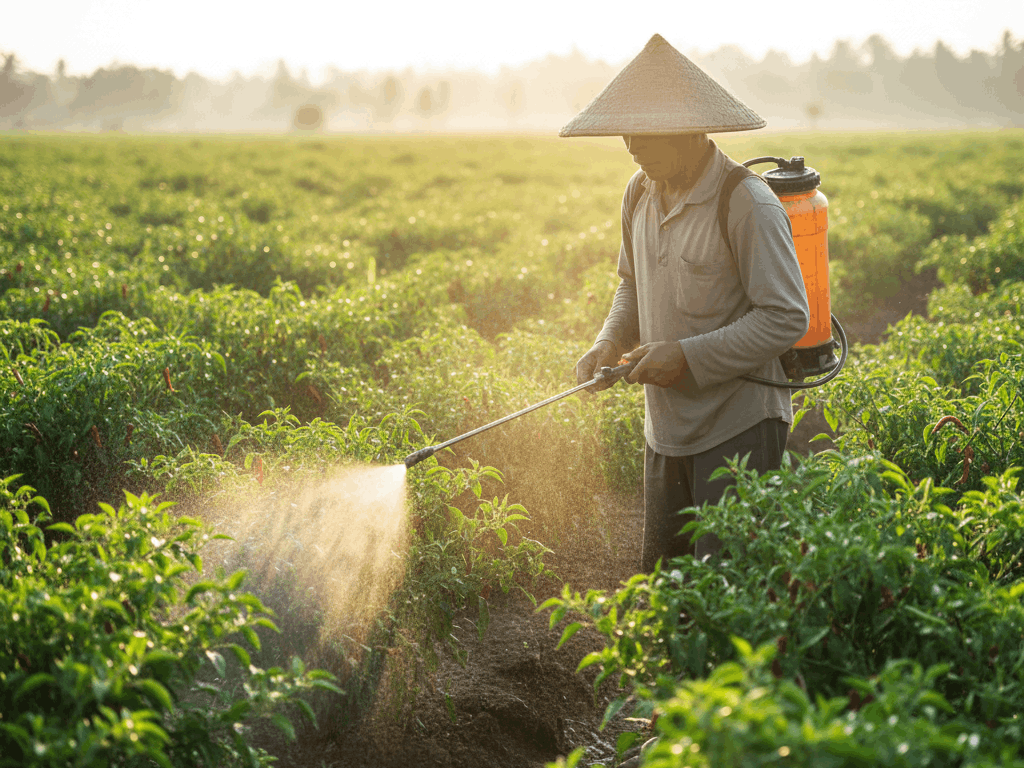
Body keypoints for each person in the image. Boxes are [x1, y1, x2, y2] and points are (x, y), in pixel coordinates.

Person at [564, 34, 811, 571]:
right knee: (667, 587)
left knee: (729, 588)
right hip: (666, 428)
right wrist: (610, 340)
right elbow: (630, 282)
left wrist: (686, 356)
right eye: (627, 133)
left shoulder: (745, 203)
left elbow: (788, 317)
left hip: (738, 426)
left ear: (693, 129)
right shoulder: (639, 191)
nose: (631, 144)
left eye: (646, 134)